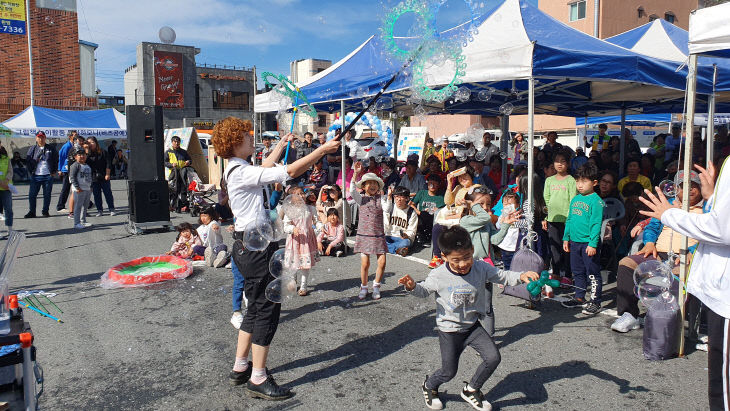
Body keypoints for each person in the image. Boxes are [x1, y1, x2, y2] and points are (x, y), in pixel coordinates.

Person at [212, 117, 338, 398]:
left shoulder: (237, 168)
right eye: (245, 135)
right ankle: (258, 377)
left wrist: (280, 146)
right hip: (256, 250)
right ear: (235, 142)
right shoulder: (241, 172)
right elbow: (288, 172)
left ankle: (240, 366)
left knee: (255, 308)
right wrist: (322, 150)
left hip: (248, 246)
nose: (249, 137)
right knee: (267, 310)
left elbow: (266, 168)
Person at [398, 226, 539, 411]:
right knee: (448, 372)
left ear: (472, 251)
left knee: (493, 357)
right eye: (456, 260)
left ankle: (471, 389)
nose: (463, 263)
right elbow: (424, 291)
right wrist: (412, 286)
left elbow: (501, 276)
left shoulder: (480, 268)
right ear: (444, 257)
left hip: (472, 326)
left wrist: (521, 276)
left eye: (466, 257)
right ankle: (430, 386)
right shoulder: (439, 274)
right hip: (449, 331)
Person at [639, 159, 730, 411]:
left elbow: (722, 230)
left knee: (722, 384)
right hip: (713, 285)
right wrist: (713, 197)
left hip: (723, 294)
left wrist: (669, 214)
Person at [611, 170, 704, 333]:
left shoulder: (705, 208)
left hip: (685, 257)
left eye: (694, 185)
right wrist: (648, 243)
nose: (689, 189)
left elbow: (708, 236)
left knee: (676, 277)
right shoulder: (666, 205)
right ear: (676, 188)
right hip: (658, 253)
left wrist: (692, 252)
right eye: (683, 186)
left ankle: (663, 317)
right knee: (626, 264)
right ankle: (629, 314)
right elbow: (653, 227)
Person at [561, 163, 605, 315]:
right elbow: (570, 220)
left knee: (592, 273)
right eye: (577, 181)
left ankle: (595, 301)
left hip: (588, 243)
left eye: (584, 181)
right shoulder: (575, 199)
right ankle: (579, 297)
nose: (579, 185)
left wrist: (593, 244)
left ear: (594, 183)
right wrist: (566, 238)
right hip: (574, 242)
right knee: (577, 271)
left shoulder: (596, 201)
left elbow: (596, 224)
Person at [351, 163, 389, 300]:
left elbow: (387, 209)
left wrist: (389, 198)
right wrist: (355, 174)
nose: (372, 185)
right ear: (363, 186)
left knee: (382, 262)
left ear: (378, 186)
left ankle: (376, 286)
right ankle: (364, 286)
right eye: (369, 183)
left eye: (375, 183)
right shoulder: (361, 199)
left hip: (378, 235)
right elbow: (351, 191)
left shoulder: (382, 198)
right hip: (364, 235)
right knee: (365, 264)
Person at [542, 151, 576, 283]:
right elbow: (546, 199)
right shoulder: (549, 180)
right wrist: (545, 218)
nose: (560, 164)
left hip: (568, 220)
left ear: (568, 164)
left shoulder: (571, 180)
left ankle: (567, 275)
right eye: (557, 161)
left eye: (563, 161)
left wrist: (570, 218)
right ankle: (555, 273)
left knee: (567, 248)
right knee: (554, 248)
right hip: (552, 220)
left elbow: (573, 200)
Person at [282, 186, 320, 296]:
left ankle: (304, 285)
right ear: (291, 198)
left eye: (302, 193)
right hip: (294, 240)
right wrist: (292, 229)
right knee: (294, 264)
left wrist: (320, 226)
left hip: (307, 240)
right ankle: (293, 281)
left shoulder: (310, 208)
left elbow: (316, 221)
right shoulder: (290, 210)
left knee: (305, 264)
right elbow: (286, 226)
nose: (301, 196)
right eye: (297, 194)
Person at [25, 132, 57, 218]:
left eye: (42, 137)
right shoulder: (33, 149)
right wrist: (34, 162)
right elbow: (27, 161)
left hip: (48, 175)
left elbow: (55, 159)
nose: (40, 139)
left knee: (47, 194)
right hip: (36, 175)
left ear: (45, 138)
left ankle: (45, 211)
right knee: (32, 195)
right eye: (39, 137)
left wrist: (54, 171)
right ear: (36, 138)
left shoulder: (51, 148)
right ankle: (32, 212)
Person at [411, 174, 446, 245]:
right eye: (430, 183)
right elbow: (411, 204)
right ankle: (420, 235)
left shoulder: (442, 196)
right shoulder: (422, 193)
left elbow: (447, 208)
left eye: (434, 183)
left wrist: (438, 210)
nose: (432, 185)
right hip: (421, 216)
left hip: (434, 217)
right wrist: (419, 212)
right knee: (422, 214)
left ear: (438, 185)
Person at [86, 137, 116, 217]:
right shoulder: (88, 154)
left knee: (108, 193)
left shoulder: (103, 152)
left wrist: (108, 174)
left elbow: (108, 163)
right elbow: (85, 164)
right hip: (93, 177)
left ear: (96, 142)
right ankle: (99, 210)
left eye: (92, 142)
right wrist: (86, 151)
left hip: (104, 175)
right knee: (96, 194)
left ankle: (111, 209)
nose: (90, 144)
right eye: (88, 143)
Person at [384, 186, 418, 256]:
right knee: (379, 239)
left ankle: (387, 248)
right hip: (389, 236)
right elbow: (384, 224)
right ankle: (398, 250)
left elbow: (412, 230)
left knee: (406, 243)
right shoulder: (390, 208)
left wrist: (407, 235)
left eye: (402, 197)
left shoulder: (411, 212)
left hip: (402, 239)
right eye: (397, 196)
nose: (399, 199)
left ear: (407, 198)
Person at [165, 135, 193, 212]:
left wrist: (188, 162)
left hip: (183, 173)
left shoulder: (183, 152)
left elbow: (190, 160)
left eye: (178, 142)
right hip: (173, 174)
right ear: (172, 142)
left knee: (184, 189)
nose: (177, 143)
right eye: (175, 142)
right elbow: (164, 162)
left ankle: (184, 206)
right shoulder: (168, 152)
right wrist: (171, 165)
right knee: (174, 190)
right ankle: (173, 206)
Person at [494, 192, 521, 270]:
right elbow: (498, 226)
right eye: (505, 204)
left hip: (516, 245)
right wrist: (502, 221)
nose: (507, 207)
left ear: (517, 205)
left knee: (517, 264)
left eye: (510, 204)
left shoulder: (519, 215)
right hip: (505, 245)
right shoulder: (502, 216)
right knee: (507, 264)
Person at [69, 149, 92, 230]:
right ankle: (76, 223)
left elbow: (89, 177)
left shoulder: (87, 165)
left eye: (83, 154)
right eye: (79, 155)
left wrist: (90, 187)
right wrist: (77, 187)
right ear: (75, 157)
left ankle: (83, 220)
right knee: (78, 206)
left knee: (85, 206)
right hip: (79, 189)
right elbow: (72, 177)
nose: (82, 156)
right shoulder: (75, 165)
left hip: (87, 188)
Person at [56, 131, 76, 212]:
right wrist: (60, 169)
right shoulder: (67, 146)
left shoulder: (75, 145)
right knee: (66, 188)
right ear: (70, 137)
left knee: (77, 187)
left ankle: (89, 204)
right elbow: (61, 157)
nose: (76, 137)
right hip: (66, 169)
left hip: (74, 169)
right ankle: (60, 206)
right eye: (74, 135)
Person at [0, 143, 13, 236]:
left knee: (8, 209)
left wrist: (6, 180)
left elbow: (10, 171)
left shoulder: (5, 157)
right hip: (2, 184)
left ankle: (10, 229)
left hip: (6, 187)